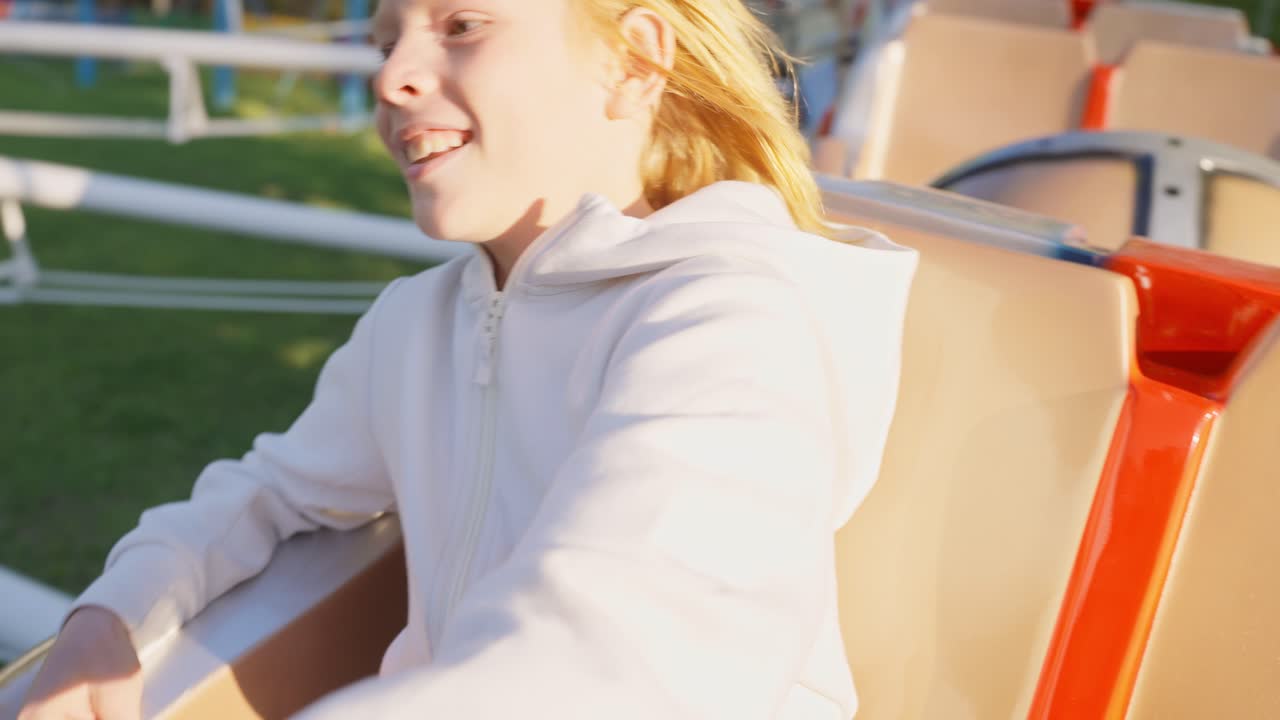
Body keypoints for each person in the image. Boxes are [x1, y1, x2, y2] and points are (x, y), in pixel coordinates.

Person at [18, 0, 917, 718]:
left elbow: (624, 651)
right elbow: (271, 490)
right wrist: (116, 614)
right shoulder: (417, 320)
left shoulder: (722, 318)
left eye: (462, 26)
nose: (395, 77)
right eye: (384, 41)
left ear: (634, 61)